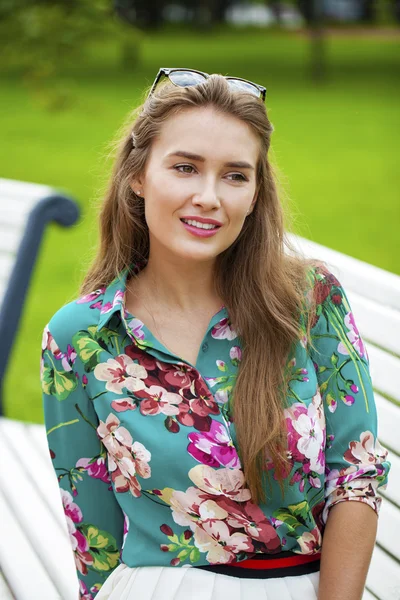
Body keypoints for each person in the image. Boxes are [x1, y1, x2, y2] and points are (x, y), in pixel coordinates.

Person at [41, 68, 390, 600]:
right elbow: (95, 542)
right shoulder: (82, 336)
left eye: (234, 175)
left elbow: (356, 474)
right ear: (138, 176)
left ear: (255, 194)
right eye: (185, 168)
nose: (209, 196)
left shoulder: (309, 300)